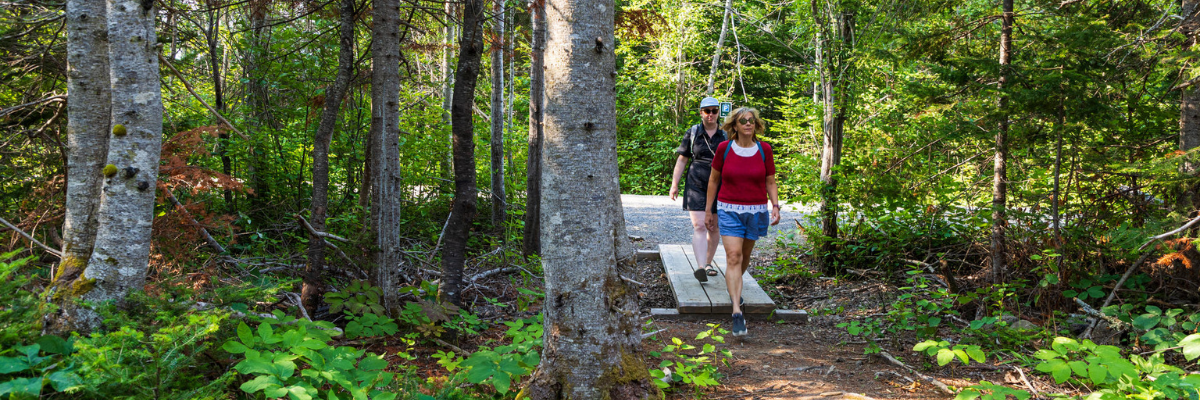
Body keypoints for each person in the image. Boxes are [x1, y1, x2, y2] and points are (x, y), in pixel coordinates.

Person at [704, 107, 780, 337]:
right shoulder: (724, 149)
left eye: (752, 120)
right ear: (734, 126)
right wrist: (709, 210)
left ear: (756, 125)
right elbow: (713, 180)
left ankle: (733, 287)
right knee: (733, 256)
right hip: (729, 209)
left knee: (744, 257)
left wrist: (775, 206)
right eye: (743, 120)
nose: (748, 123)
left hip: (755, 211)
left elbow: (770, 181)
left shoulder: (764, 149)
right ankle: (737, 312)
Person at [670, 97, 727, 283]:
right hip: (696, 182)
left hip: (719, 183)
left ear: (718, 112)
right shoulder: (693, 132)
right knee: (699, 225)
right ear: (700, 112)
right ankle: (701, 267)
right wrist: (674, 184)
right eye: (706, 111)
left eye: (714, 111)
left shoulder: (726, 134)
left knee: (713, 226)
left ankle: (709, 263)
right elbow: (682, 159)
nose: (710, 114)